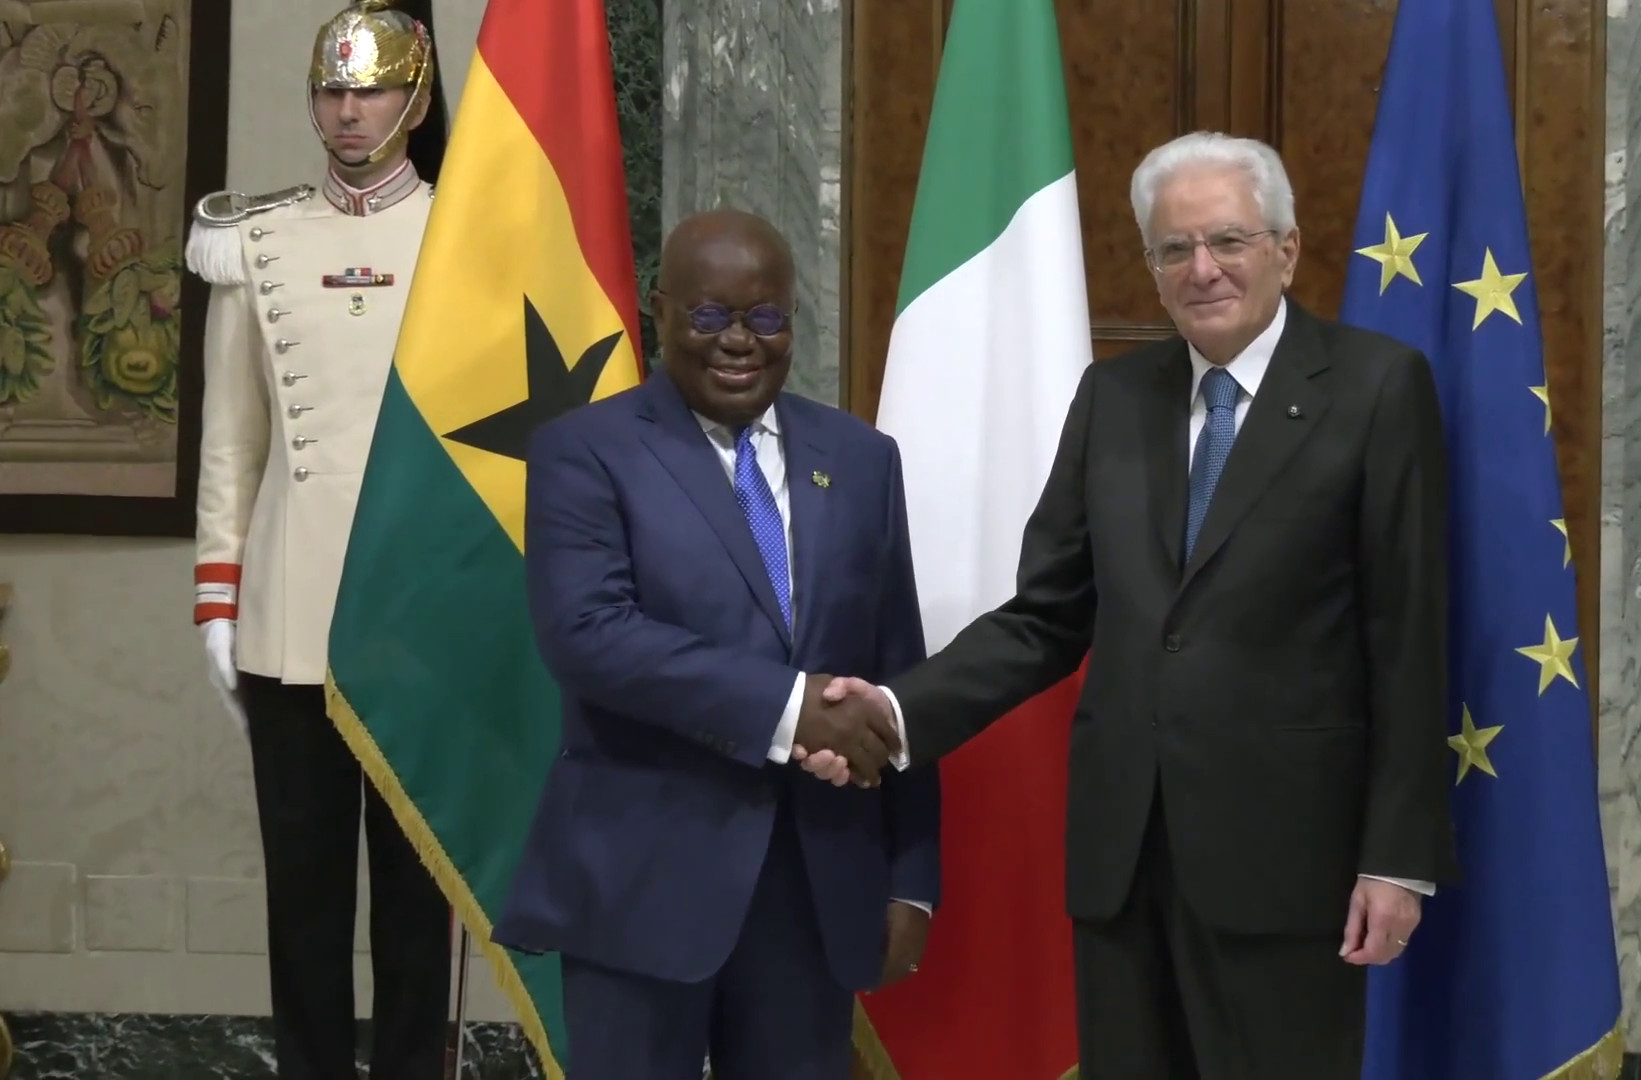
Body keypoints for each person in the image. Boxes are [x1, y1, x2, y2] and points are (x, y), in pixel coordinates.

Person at [804, 132, 1457, 1078]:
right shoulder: (1113, 396)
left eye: (1228, 241)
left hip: (1289, 864)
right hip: (1124, 860)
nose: (1203, 269)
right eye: (1173, 249)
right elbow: (1047, 616)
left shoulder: (1375, 387)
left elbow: (1408, 640)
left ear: (1286, 250)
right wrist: (894, 713)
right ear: (1151, 268)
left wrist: (1395, 860)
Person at [491, 209, 940, 1080]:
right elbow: (589, 635)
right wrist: (791, 708)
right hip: (640, 888)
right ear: (660, 313)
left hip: (816, 890)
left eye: (765, 317)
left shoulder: (861, 458)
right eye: (709, 316)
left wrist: (911, 878)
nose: (739, 341)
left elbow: (897, 674)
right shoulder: (586, 451)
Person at [183, 2, 451, 1077]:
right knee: (302, 901)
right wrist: (217, 596)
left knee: (418, 907)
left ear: (414, 100)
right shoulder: (257, 240)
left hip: (424, 617)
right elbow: (229, 442)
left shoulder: (466, 232)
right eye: (333, 91)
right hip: (288, 615)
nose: (349, 111)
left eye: (372, 90)